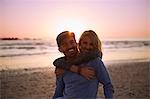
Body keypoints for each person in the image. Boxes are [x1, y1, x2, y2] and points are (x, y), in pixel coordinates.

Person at [53, 30, 114, 99]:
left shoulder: (95, 62)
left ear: (76, 43)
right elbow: (58, 92)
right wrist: (78, 70)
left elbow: (108, 85)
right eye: (65, 44)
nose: (69, 46)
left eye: (71, 42)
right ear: (60, 49)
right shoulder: (62, 67)